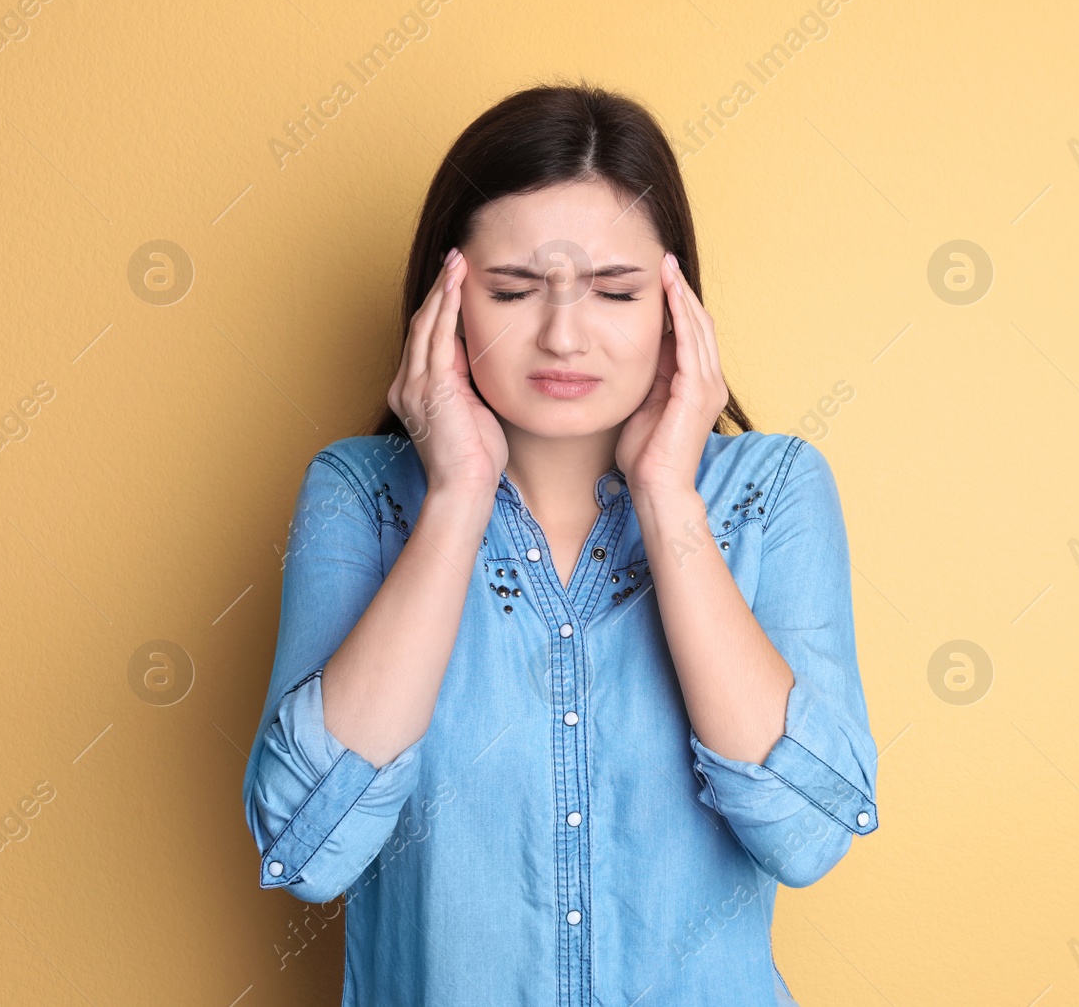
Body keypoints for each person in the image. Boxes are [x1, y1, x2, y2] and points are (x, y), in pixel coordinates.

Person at [241, 80, 880, 1006]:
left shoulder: (772, 491)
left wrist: (667, 496)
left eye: (616, 290)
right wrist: (456, 495)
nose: (564, 335)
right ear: (447, 298)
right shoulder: (360, 496)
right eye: (512, 290)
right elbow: (308, 846)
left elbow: (809, 831)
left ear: (676, 304)